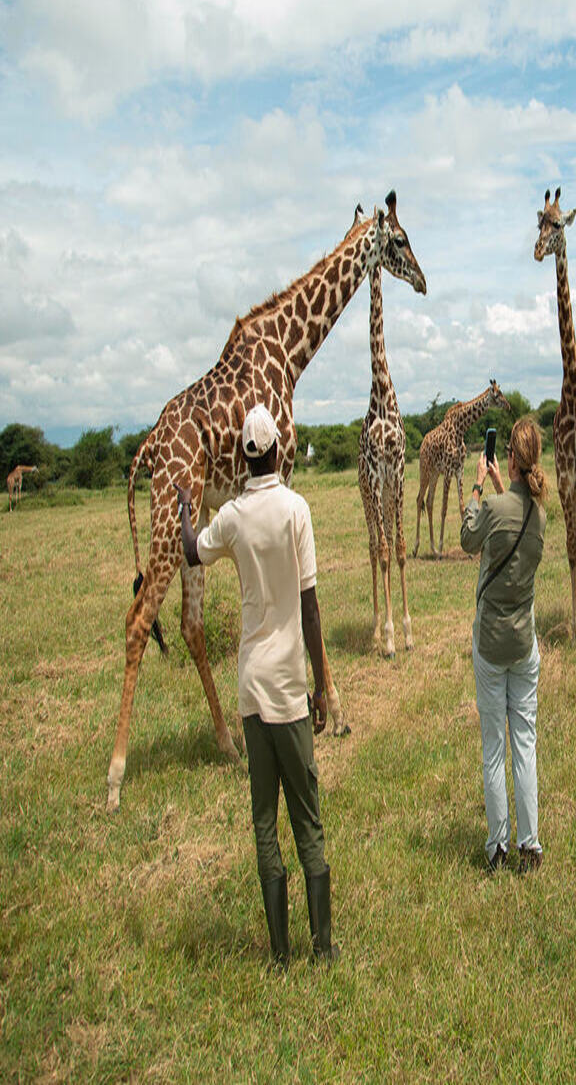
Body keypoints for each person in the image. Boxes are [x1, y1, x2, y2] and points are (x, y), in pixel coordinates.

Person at [176, 403, 339, 968]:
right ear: (276, 450)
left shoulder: (233, 516)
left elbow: (192, 548)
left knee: (263, 821)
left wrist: (182, 505)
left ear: (243, 456)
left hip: (250, 689)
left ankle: (278, 952)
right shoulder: (296, 509)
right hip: (292, 685)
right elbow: (311, 607)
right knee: (307, 814)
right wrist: (323, 687)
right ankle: (322, 945)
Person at [460, 418, 547, 872]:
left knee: (495, 746)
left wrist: (478, 486)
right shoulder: (540, 513)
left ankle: (497, 846)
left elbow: (468, 537)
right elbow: (518, 510)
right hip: (524, 642)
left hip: (491, 643)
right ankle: (530, 844)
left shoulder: (491, 508)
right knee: (525, 742)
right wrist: (502, 482)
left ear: (509, 458)